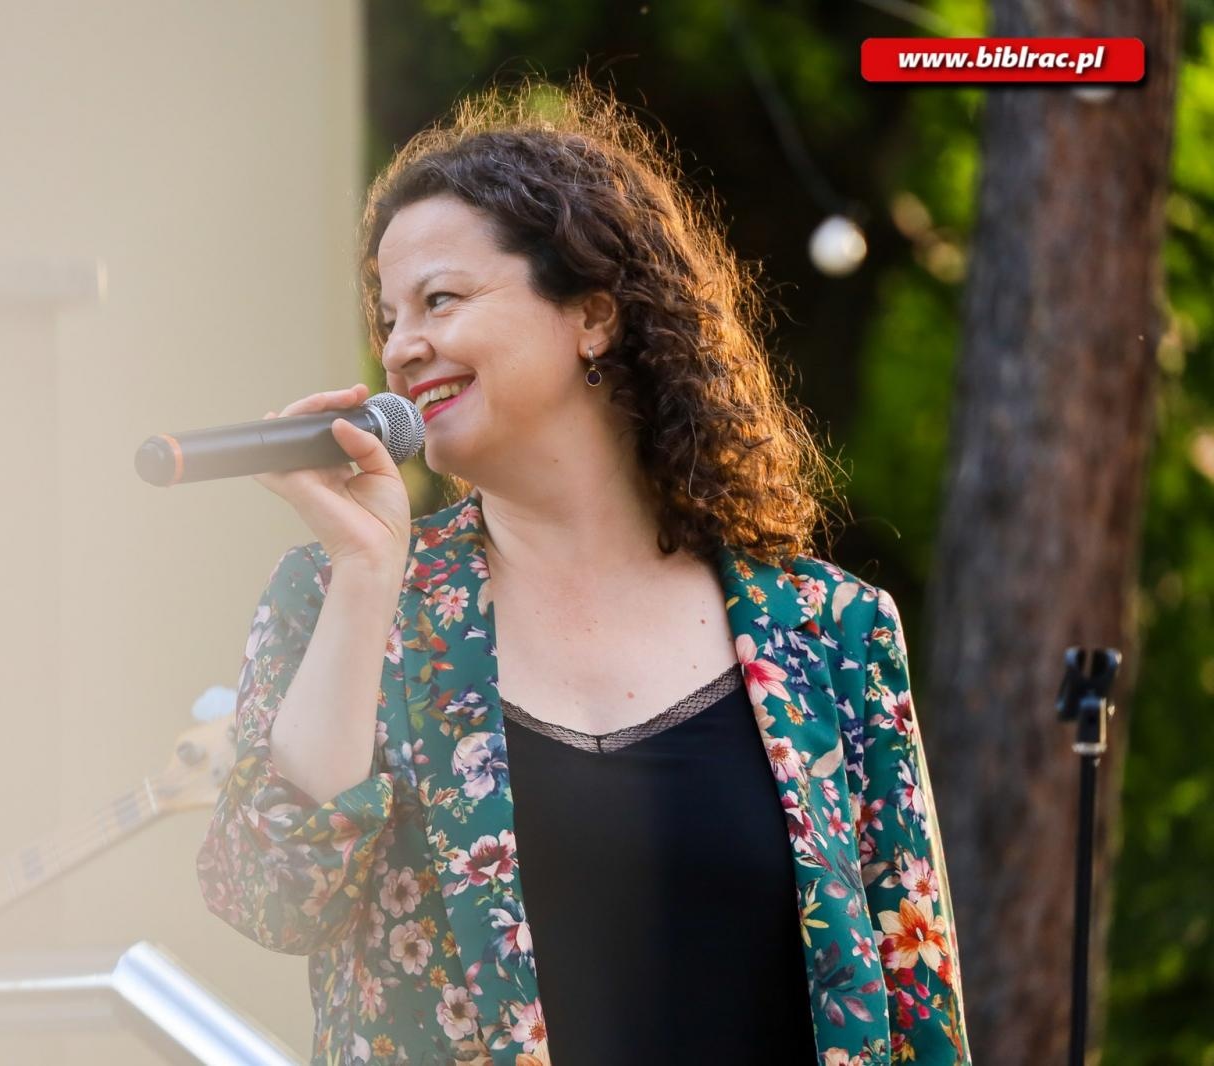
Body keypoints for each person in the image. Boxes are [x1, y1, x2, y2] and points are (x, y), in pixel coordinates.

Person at [197, 74, 971, 1066]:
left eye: (439, 300)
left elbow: (918, 1004)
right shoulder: (343, 591)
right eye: (387, 317)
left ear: (594, 316)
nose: (401, 347)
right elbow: (273, 894)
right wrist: (362, 574)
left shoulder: (830, 630)